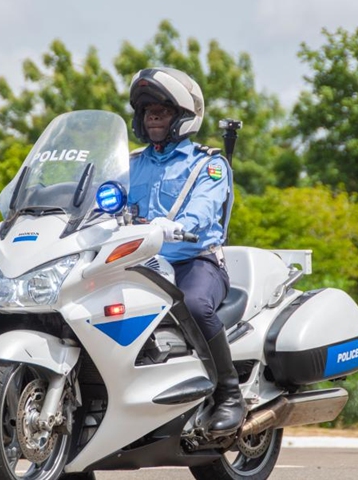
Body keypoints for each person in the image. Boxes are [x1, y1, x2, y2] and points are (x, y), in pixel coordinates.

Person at [127, 67, 243, 435]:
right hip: (139, 261)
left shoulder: (207, 164)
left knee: (193, 304)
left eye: (162, 108)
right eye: (147, 110)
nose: (153, 115)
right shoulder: (128, 165)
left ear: (183, 116)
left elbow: (203, 210)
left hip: (195, 261)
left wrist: (176, 225)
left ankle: (229, 394)